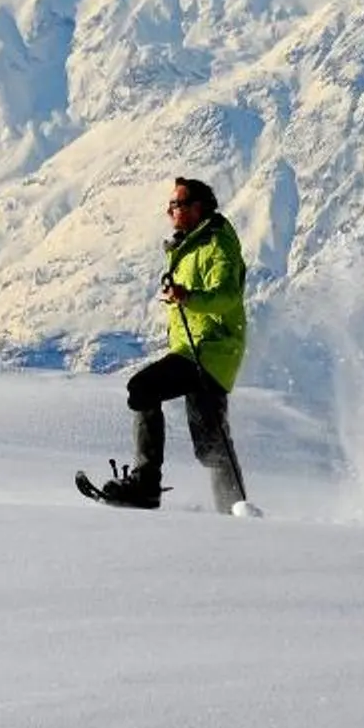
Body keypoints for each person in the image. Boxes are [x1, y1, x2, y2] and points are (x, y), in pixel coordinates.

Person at [85, 177, 255, 514]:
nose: (169, 211)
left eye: (176, 205)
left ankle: (146, 485)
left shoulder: (217, 245)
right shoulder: (191, 245)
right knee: (210, 445)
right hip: (198, 351)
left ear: (197, 207)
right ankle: (235, 509)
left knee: (143, 388)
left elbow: (226, 296)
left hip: (208, 350)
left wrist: (188, 297)